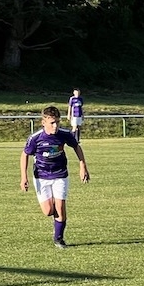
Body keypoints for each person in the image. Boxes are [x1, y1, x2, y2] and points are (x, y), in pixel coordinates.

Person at [20, 105, 90, 248]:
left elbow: (76, 146)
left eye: (57, 122)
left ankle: (59, 239)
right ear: (43, 122)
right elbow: (25, 155)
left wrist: (83, 166)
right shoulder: (35, 138)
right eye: (52, 123)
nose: (55, 126)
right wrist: (24, 177)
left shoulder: (64, 134)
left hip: (60, 174)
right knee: (48, 211)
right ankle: (55, 217)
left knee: (60, 208)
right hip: (41, 176)